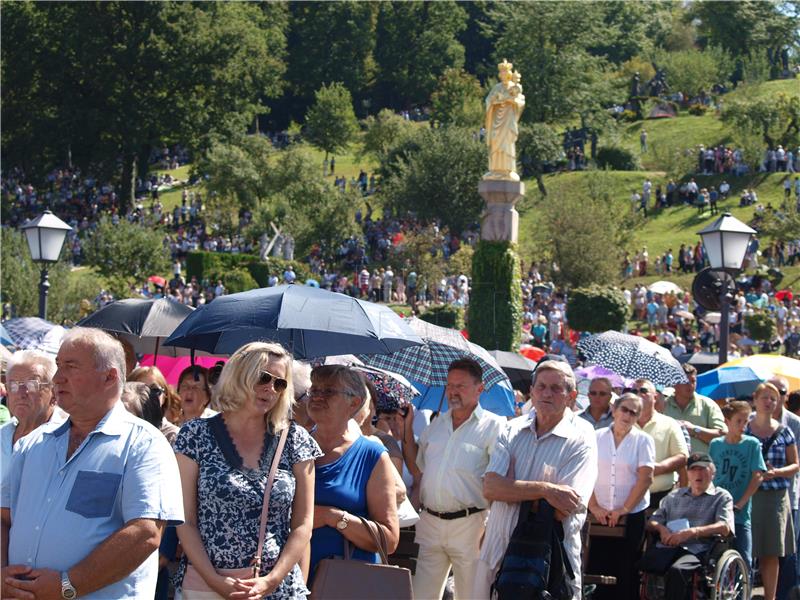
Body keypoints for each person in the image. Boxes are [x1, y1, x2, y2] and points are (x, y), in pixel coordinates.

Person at [1, 327, 183, 599]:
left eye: (70, 367)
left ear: (110, 376)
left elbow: (144, 534)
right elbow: (3, 517)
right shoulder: (33, 444)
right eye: (58, 366)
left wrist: (67, 584)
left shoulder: (144, 445)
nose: (57, 377)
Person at [174, 341, 319, 598]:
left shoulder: (297, 439)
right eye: (263, 378)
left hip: (275, 588)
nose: (270, 388)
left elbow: (303, 524)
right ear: (239, 376)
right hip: (207, 585)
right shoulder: (194, 435)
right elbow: (185, 520)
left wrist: (271, 581)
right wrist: (215, 580)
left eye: (280, 383)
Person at [475, 359, 598, 599]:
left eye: (555, 388)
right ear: (531, 391)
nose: (546, 393)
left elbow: (564, 508)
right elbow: (490, 487)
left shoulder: (582, 437)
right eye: (541, 386)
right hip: (497, 552)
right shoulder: (511, 429)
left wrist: (511, 488)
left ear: (571, 396)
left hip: (549, 562)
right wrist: (545, 489)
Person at [403, 358, 504, 600]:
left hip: (471, 525)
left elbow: (497, 481)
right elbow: (418, 469)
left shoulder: (495, 426)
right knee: (420, 597)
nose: (452, 391)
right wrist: (406, 429)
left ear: (479, 389)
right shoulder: (437, 424)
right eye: (449, 386)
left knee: (470, 596)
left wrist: (489, 528)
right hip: (430, 523)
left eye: (460, 386)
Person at [308, 365, 399, 578]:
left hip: (345, 583)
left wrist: (333, 517)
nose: (318, 397)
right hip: (288, 581)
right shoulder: (291, 445)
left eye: (328, 391)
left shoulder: (371, 455)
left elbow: (388, 539)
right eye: (314, 390)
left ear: (354, 403)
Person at [588, 393, 655, 600]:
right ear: (614, 410)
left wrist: (623, 509)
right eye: (624, 409)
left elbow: (646, 478)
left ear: (638, 417)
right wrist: (595, 507)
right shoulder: (596, 436)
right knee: (595, 567)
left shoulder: (644, 440)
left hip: (631, 514)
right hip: (597, 514)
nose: (627, 415)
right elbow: (585, 473)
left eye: (633, 412)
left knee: (626, 570)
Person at [642, 453, 734, 600]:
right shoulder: (673, 496)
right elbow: (652, 521)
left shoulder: (721, 497)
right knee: (641, 566)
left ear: (712, 473)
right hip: (668, 546)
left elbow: (724, 527)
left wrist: (692, 532)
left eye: (703, 469)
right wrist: (662, 529)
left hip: (699, 549)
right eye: (693, 470)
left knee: (677, 570)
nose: (698, 474)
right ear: (688, 473)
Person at [746, 382, 799, 600]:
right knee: (746, 551)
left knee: (770, 554)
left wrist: (776, 472)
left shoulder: (785, 431)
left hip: (775, 498)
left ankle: (771, 597)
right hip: (748, 495)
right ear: (755, 399)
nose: (769, 402)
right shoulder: (745, 428)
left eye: (773, 398)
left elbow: (795, 464)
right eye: (765, 397)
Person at [708, 400, 765, 575]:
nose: (743, 426)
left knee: (744, 558)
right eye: (738, 421)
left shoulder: (752, 444)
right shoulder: (716, 444)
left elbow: (758, 475)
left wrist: (741, 503)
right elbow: (710, 475)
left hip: (740, 512)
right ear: (727, 421)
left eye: (746, 422)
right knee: (715, 558)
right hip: (718, 509)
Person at [0, 350, 68, 483]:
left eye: (32, 385)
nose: (21, 393)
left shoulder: (68, 440)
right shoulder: (3, 435)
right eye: (13, 385)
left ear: (54, 392)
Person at [633, 379, 689, 509]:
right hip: (628, 498)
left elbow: (682, 457)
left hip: (661, 499)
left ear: (655, 397)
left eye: (643, 391)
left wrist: (658, 468)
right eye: (634, 391)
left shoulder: (670, 424)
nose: (638, 394)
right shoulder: (623, 424)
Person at [769, 375, 800, 599]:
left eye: (780, 393)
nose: (773, 399)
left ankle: (786, 594)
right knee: (764, 550)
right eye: (770, 394)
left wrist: (777, 471)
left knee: (788, 549)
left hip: (788, 494)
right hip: (757, 494)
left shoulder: (795, 424)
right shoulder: (752, 422)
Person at [663, 364, 725, 453]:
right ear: (674, 383)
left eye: (693, 381)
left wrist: (694, 430)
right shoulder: (663, 405)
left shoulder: (707, 405)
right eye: (685, 382)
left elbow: (722, 436)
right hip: (671, 464)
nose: (690, 385)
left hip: (700, 464)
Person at [128, 366, 180, 443]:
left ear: (164, 396)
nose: (148, 395)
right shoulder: (117, 428)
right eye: (140, 390)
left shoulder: (173, 435)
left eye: (155, 390)